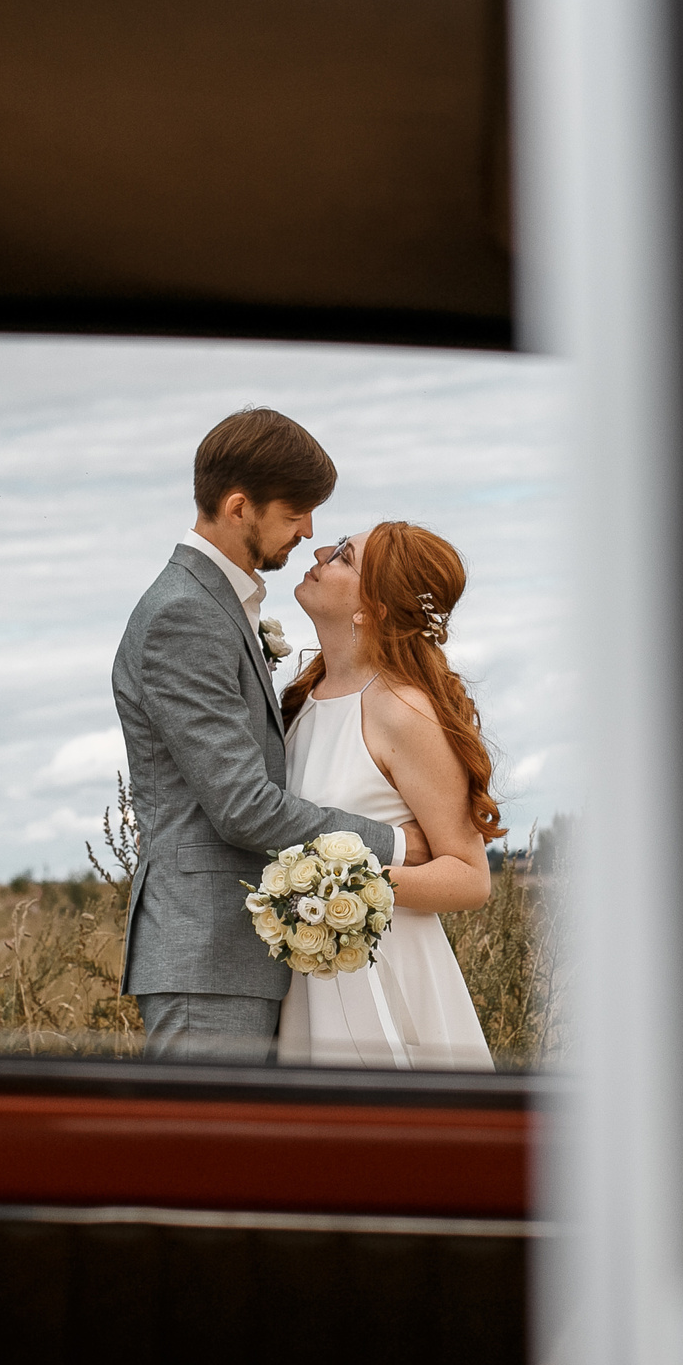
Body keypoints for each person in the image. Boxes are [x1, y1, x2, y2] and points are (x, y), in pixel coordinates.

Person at [113, 408, 431, 1062]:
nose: (309, 531)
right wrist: (398, 842)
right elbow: (242, 806)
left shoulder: (215, 605)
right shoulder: (185, 615)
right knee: (205, 1161)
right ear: (238, 507)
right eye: (295, 513)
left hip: (234, 956)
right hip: (208, 958)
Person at [276, 522, 499, 1069]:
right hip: (308, 976)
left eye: (344, 557)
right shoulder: (304, 697)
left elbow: (470, 877)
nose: (321, 552)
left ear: (370, 610)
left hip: (383, 970)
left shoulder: (403, 711)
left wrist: (342, 883)